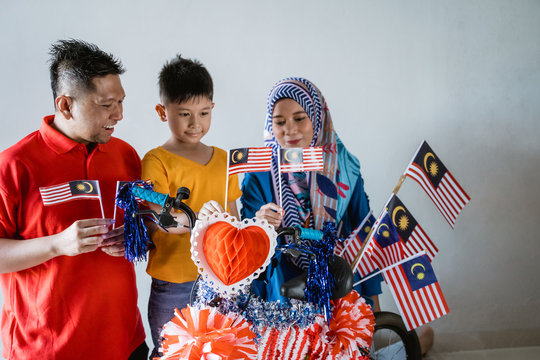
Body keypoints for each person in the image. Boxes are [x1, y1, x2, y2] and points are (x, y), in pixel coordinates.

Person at [0, 39, 146, 359]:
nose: (119, 114)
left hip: (126, 342)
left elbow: (146, 225)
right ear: (65, 105)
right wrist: (58, 244)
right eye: (107, 105)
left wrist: (135, 238)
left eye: (121, 102)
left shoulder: (125, 155)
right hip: (46, 349)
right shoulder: (13, 165)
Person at [239, 77, 384, 309]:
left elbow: (365, 232)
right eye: (279, 122)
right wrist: (259, 223)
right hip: (282, 290)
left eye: (299, 118)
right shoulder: (258, 173)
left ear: (316, 118)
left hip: (339, 279)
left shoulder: (344, 168)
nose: (289, 130)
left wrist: (373, 303)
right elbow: (245, 240)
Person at [141, 55, 242, 358]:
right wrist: (206, 221)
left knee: (221, 350)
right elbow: (163, 220)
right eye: (184, 113)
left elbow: (234, 219)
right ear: (162, 112)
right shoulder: (156, 161)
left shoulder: (225, 160)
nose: (195, 123)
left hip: (222, 279)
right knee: (172, 351)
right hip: (174, 282)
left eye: (204, 112)